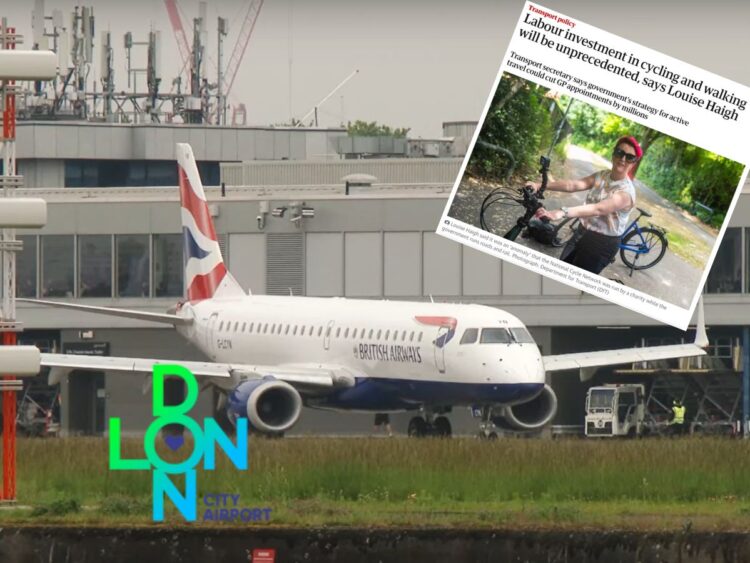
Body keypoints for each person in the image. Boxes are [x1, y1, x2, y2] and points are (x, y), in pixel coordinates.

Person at [530, 136, 642, 274]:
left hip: (602, 244)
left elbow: (598, 208)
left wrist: (561, 211)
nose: (623, 159)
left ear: (633, 163)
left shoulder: (626, 193)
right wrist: (539, 185)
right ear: (613, 154)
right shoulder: (603, 175)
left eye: (630, 157)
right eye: (620, 153)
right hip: (582, 232)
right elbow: (574, 185)